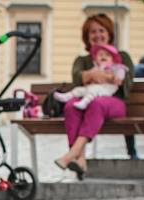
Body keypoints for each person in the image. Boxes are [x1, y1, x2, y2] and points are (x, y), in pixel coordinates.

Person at [54, 13, 134, 180]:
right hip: (87, 99)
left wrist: (96, 76)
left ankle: (72, 154)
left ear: (109, 33)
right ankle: (81, 160)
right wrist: (93, 74)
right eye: (92, 32)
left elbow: (125, 83)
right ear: (87, 36)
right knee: (70, 106)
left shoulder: (121, 57)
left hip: (114, 103)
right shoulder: (82, 60)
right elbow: (77, 78)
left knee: (97, 103)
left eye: (101, 30)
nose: (97, 35)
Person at [54, 44, 129, 110]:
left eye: (107, 55)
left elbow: (121, 71)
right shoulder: (97, 68)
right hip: (94, 87)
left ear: (113, 58)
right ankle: (67, 96)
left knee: (92, 91)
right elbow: (90, 76)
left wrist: (118, 77)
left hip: (107, 89)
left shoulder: (115, 67)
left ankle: (84, 102)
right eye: (101, 55)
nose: (103, 56)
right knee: (80, 89)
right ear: (96, 59)